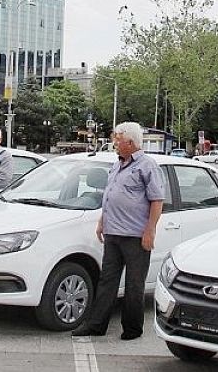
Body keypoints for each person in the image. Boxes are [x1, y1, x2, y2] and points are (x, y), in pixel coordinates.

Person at [72, 121, 164, 340]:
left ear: (130, 142)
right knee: (107, 281)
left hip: (135, 236)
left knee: (134, 284)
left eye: (118, 139)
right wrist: (102, 221)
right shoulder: (117, 165)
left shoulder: (147, 166)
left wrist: (149, 231)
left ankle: (132, 328)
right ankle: (96, 325)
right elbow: (110, 197)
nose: (115, 143)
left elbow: (157, 201)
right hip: (113, 233)